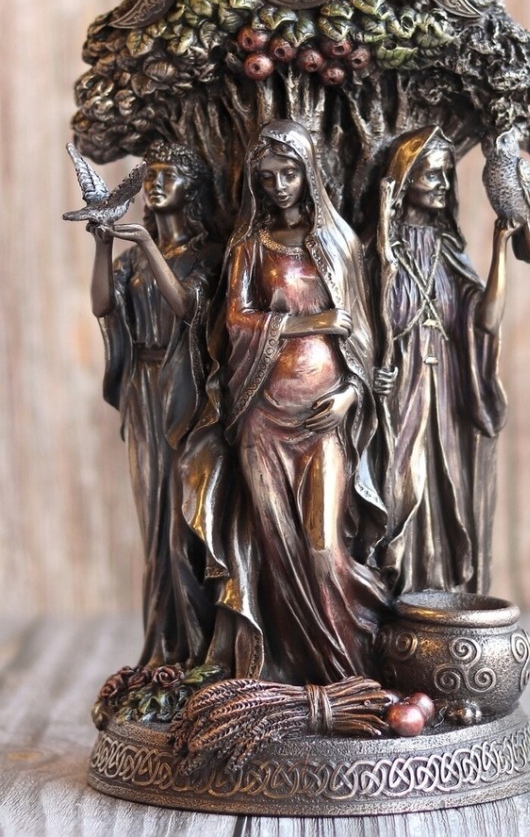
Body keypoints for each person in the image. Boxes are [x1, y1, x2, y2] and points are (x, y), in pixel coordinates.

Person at [185, 120, 388, 685]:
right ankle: (289, 677)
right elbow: (236, 319)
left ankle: (353, 672)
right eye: (267, 177)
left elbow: (363, 334)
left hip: (324, 414)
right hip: (262, 415)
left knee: (323, 547)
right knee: (277, 545)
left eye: (289, 173)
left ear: (308, 173)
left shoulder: (339, 243)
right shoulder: (250, 247)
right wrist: (312, 322)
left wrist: (351, 394)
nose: (278, 186)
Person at [89, 140, 219, 666]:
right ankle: (164, 647)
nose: (156, 184)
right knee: (152, 520)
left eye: (169, 175)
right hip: (143, 389)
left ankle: (199, 646)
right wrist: (103, 247)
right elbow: (102, 305)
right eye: (151, 176)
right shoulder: (131, 260)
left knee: (183, 522)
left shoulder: (206, 256)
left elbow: (187, 306)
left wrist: (146, 243)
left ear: (192, 189)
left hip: (185, 388)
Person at [373, 126, 516, 595]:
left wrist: (499, 248)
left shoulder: (449, 251)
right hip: (402, 390)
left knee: (446, 484)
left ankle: (437, 591)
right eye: (431, 175)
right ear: (405, 178)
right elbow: (369, 322)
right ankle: (399, 588)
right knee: (403, 485)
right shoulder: (380, 251)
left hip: (448, 389)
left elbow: (487, 321)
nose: (443, 185)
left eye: (446, 175)